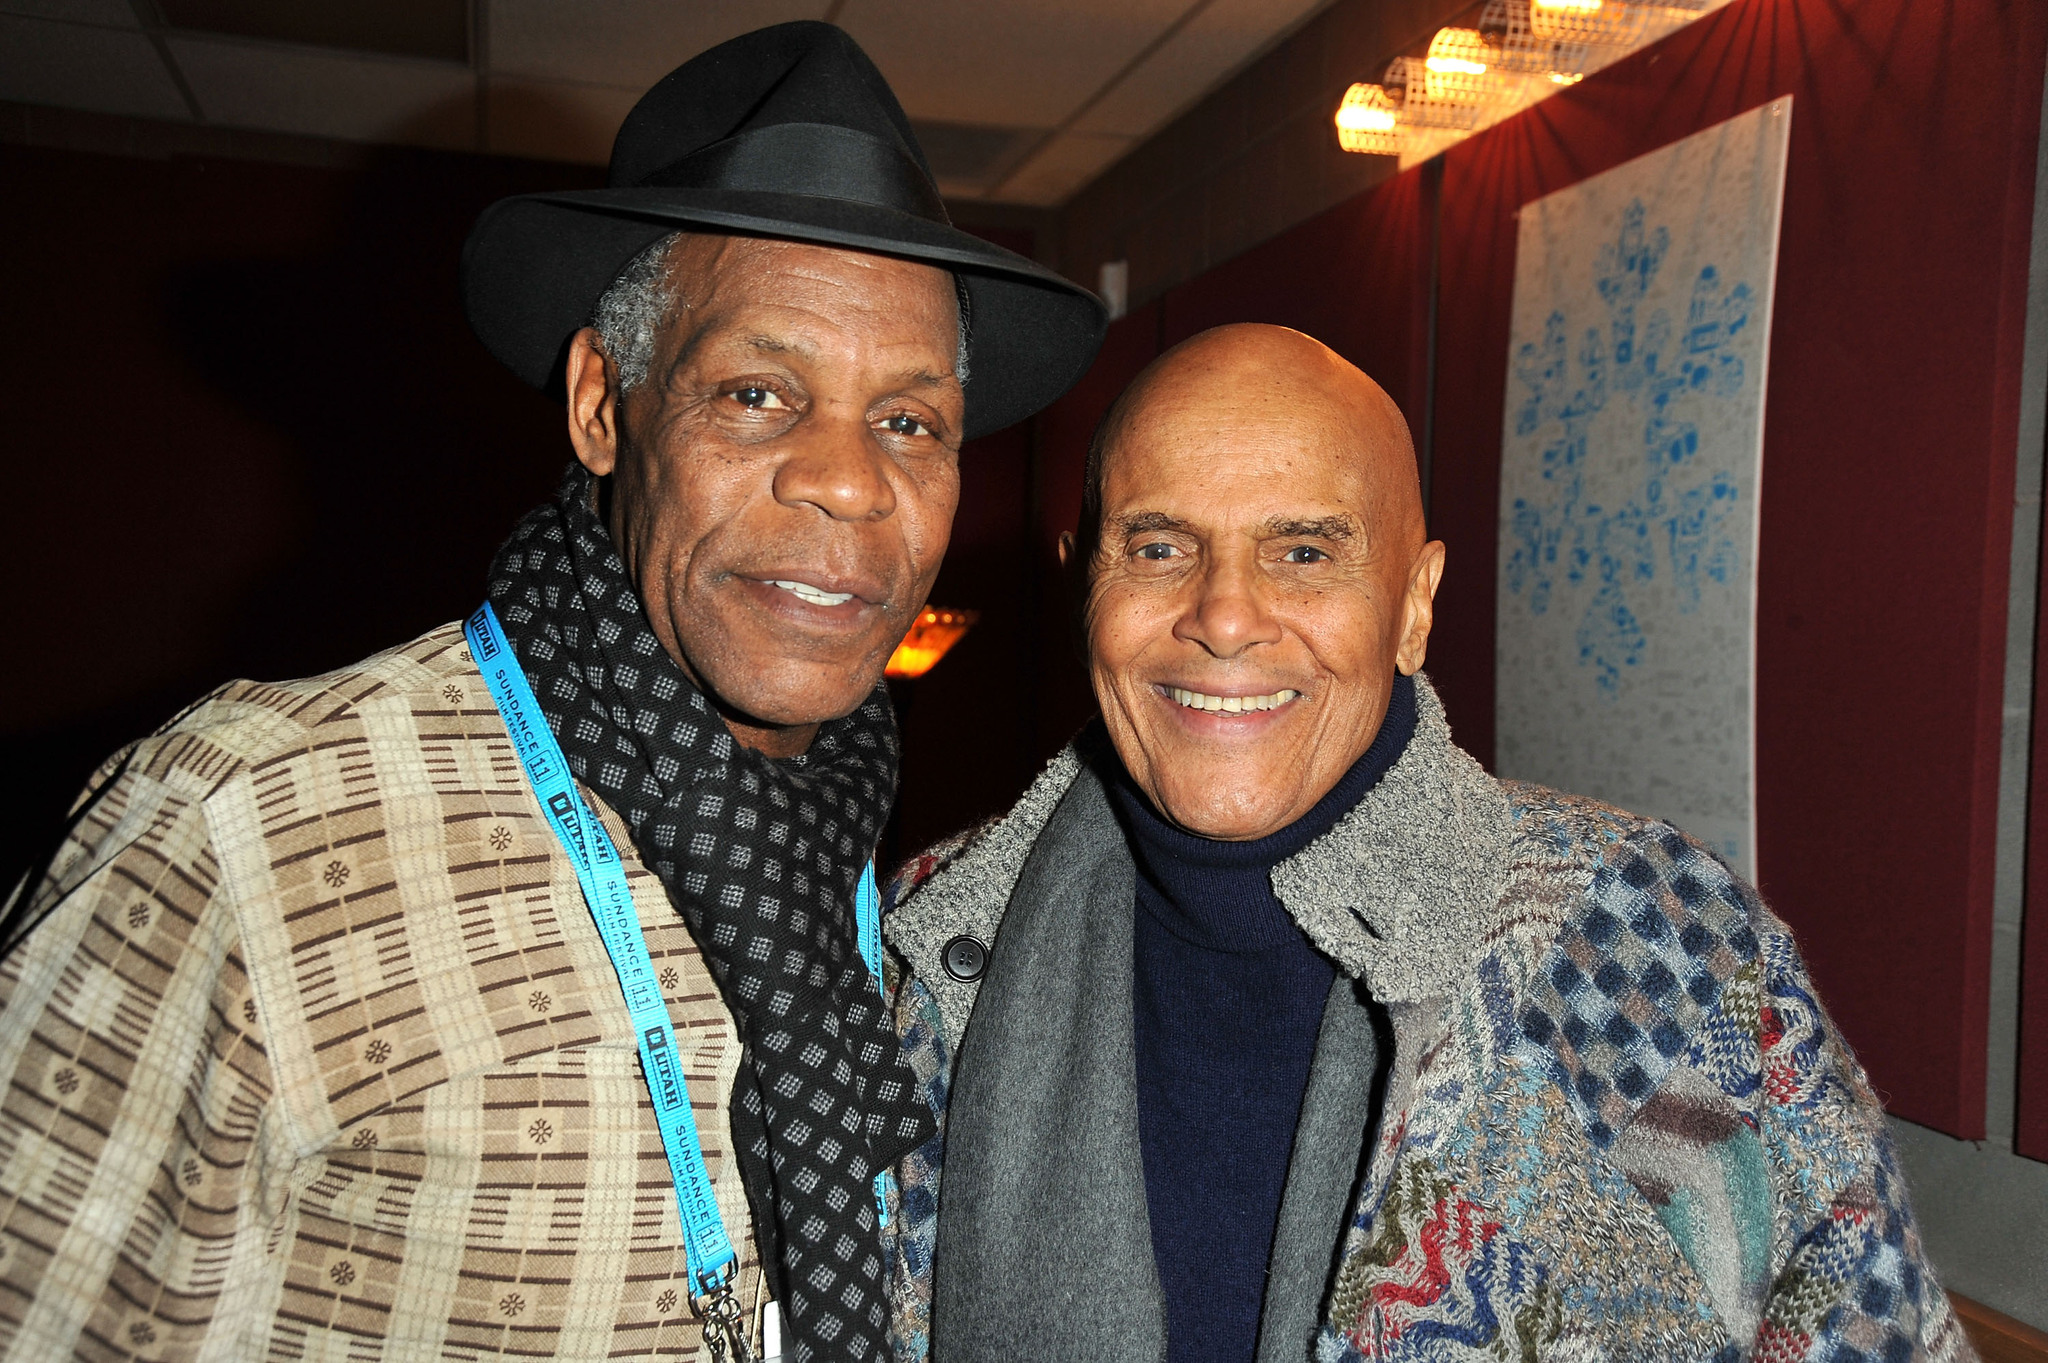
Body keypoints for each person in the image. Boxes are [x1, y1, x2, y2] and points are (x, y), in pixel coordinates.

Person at [0, 22, 1103, 1363]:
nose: (850, 480)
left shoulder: (869, 866)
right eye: (759, 392)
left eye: (910, 420)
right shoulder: (244, 825)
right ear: (600, 404)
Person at [880, 324, 1973, 1363]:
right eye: (1158, 546)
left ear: (1412, 603)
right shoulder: (927, 942)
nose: (1222, 614)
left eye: (1302, 550)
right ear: (1084, 589)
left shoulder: (1646, 939)